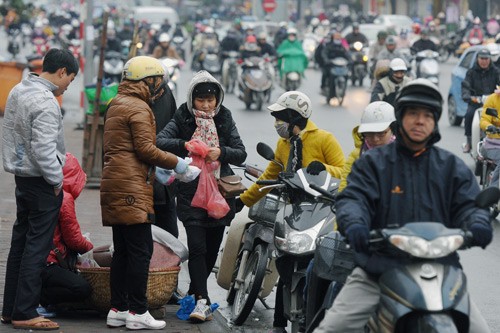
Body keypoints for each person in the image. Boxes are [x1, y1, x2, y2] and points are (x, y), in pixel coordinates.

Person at [313, 78, 493, 333]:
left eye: (427, 115)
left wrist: (478, 223)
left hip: (442, 273)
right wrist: (355, 225)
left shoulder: (451, 168)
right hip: (379, 272)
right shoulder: (373, 164)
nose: (420, 121)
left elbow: (470, 205)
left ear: (435, 121)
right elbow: (354, 199)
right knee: (331, 328)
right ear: (400, 118)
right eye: (413, 113)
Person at [235, 91, 345, 333]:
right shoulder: (282, 145)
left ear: (296, 118)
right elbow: (269, 176)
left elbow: (343, 170)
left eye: (281, 117)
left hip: (320, 208)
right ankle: (278, 324)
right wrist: (243, 200)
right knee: (285, 259)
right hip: (291, 208)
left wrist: (324, 168)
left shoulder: (324, 139)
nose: (277, 123)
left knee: (310, 259)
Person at [101, 56, 189, 331]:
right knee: (141, 250)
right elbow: (145, 149)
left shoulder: (117, 102)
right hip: (131, 185)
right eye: (156, 81)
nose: (158, 87)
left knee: (124, 251)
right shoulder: (139, 107)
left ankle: (118, 308)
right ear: (146, 81)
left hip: (115, 182)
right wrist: (177, 163)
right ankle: (138, 311)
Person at [156, 70, 247, 323]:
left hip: (219, 192)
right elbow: (160, 140)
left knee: (210, 249)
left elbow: (241, 153)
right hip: (190, 190)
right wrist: (186, 145)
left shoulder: (225, 117)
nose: (206, 105)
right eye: (201, 100)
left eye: (211, 100)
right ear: (191, 99)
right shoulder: (183, 117)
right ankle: (202, 301)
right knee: (196, 246)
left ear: (218, 99)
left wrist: (221, 152)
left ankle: (198, 291)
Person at [1, 48, 79, 331]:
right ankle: (25, 311)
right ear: (61, 72)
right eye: (69, 80)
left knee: (20, 244)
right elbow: (45, 150)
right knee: (37, 246)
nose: (67, 86)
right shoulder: (46, 102)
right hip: (42, 182)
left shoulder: (18, 90)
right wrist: (57, 181)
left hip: (22, 178)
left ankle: (11, 309)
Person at [40, 153, 94, 313]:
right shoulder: (65, 198)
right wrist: (90, 246)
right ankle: (41, 297)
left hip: (35, 260)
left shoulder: (42, 191)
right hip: (49, 263)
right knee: (83, 289)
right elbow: (74, 240)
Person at [339, 101, 396, 192]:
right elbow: (345, 187)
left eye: (381, 133)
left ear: (393, 130)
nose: (375, 139)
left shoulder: (404, 155)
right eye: (369, 133)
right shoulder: (356, 156)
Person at [461, 48, 500, 153]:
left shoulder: (496, 72)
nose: (484, 61)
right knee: (469, 115)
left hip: (493, 102)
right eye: (482, 58)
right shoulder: (471, 72)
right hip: (476, 102)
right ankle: (469, 142)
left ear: (490, 59)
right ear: (477, 59)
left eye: (486, 58)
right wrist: (468, 96)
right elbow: (465, 86)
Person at [479, 86, 500, 186]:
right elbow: (484, 119)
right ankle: (493, 190)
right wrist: (489, 126)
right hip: (493, 144)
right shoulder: (493, 98)